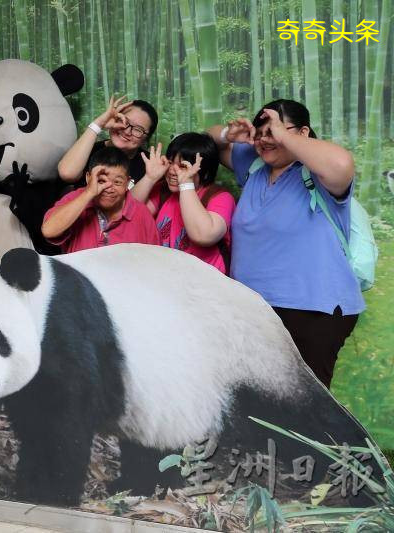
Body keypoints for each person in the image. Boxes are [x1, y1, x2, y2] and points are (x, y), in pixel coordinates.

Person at [207, 99, 362, 387]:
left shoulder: (319, 175)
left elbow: (342, 163)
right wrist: (230, 135)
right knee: (257, 399)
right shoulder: (253, 167)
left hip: (312, 309)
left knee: (306, 404)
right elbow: (210, 137)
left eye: (275, 132)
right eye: (261, 133)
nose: (266, 140)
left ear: (302, 133)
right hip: (254, 308)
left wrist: (283, 135)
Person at [130, 133, 236, 274]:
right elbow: (128, 212)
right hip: (166, 279)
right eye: (170, 162)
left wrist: (186, 184)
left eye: (183, 166)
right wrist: (149, 178)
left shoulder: (219, 197)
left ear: (204, 172)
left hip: (204, 286)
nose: (173, 171)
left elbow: (203, 235)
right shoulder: (164, 192)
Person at [42, 146, 159, 253]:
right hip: (78, 275)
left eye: (117, 182)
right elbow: (49, 230)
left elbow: (153, 259)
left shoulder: (141, 214)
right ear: (88, 178)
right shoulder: (76, 199)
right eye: (101, 181)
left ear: (127, 183)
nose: (108, 188)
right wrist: (89, 193)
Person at [57, 95, 158, 188]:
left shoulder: (150, 166)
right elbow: (67, 174)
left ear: (146, 138)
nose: (127, 131)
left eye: (138, 129)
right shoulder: (89, 150)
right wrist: (99, 124)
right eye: (124, 121)